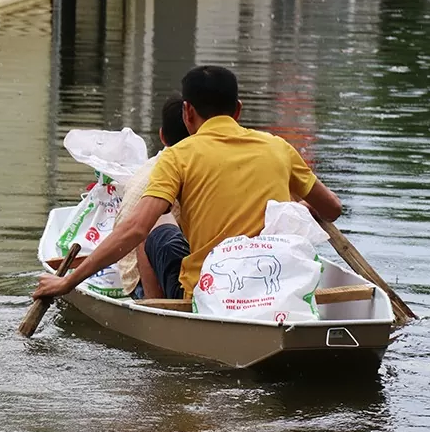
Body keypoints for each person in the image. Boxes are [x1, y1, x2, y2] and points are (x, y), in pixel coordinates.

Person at [33, 65, 342, 302]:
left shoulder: (177, 157)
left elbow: (135, 229)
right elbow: (332, 208)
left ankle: (157, 310)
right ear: (238, 110)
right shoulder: (279, 147)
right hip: (275, 286)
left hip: (211, 294)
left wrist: (67, 282)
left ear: (187, 112)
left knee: (155, 230)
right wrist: (299, 205)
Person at [114, 95, 190, 299]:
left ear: (162, 136)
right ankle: (155, 303)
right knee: (153, 218)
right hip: (141, 278)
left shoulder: (153, 163)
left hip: (128, 270)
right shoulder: (180, 170)